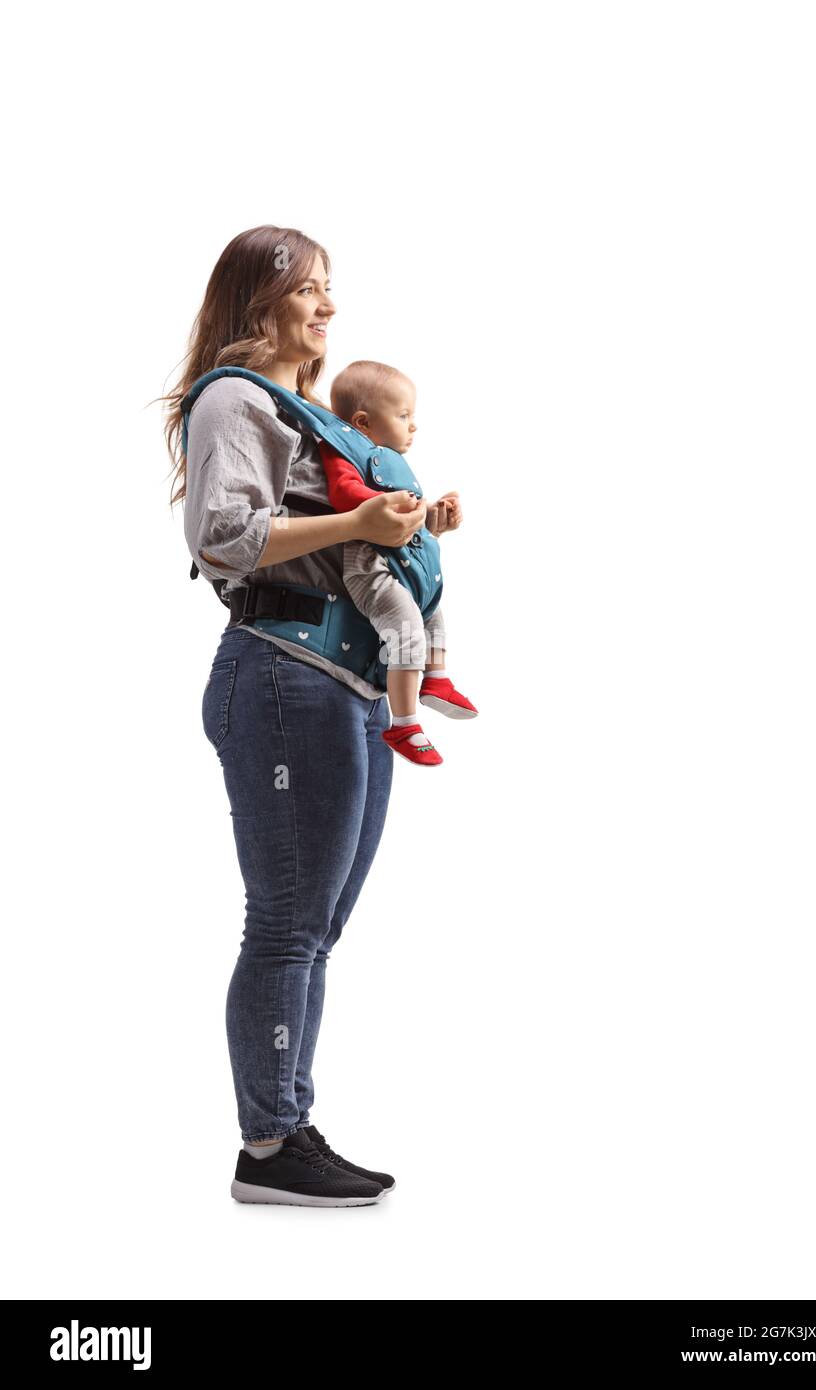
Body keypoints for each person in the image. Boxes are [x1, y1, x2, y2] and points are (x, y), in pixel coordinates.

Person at [163, 225, 460, 1206]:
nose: (327, 306)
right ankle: (267, 1141)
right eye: (309, 288)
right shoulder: (236, 400)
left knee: (315, 926)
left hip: (348, 687)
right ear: (258, 302)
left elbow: (361, 540)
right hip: (286, 675)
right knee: (288, 923)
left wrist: (408, 524)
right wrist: (359, 525)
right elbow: (224, 537)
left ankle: (285, 1116)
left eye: (331, 288)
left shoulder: (309, 417)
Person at [319, 358, 478, 768]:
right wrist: (382, 504)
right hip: (370, 564)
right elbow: (343, 493)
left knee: (432, 610)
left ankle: (437, 678)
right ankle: (404, 722)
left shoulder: (388, 458)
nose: (413, 425)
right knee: (406, 628)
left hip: (401, 557)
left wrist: (431, 518)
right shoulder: (342, 449)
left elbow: (399, 516)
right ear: (363, 421)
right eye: (403, 415)